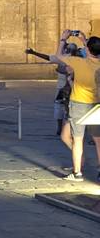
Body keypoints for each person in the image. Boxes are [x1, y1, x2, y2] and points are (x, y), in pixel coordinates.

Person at [49, 31, 100, 181]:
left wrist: (63, 39)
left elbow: (58, 56)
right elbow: (93, 53)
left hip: (79, 104)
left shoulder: (79, 62)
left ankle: (77, 173)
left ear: (87, 49)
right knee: (98, 139)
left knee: (77, 139)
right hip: (96, 104)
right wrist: (85, 41)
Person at [26, 44, 79, 135]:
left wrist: (33, 52)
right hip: (73, 88)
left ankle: (61, 128)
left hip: (65, 88)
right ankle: (68, 128)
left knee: (60, 107)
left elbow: (48, 57)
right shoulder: (79, 59)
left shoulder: (63, 58)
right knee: (69, 108)